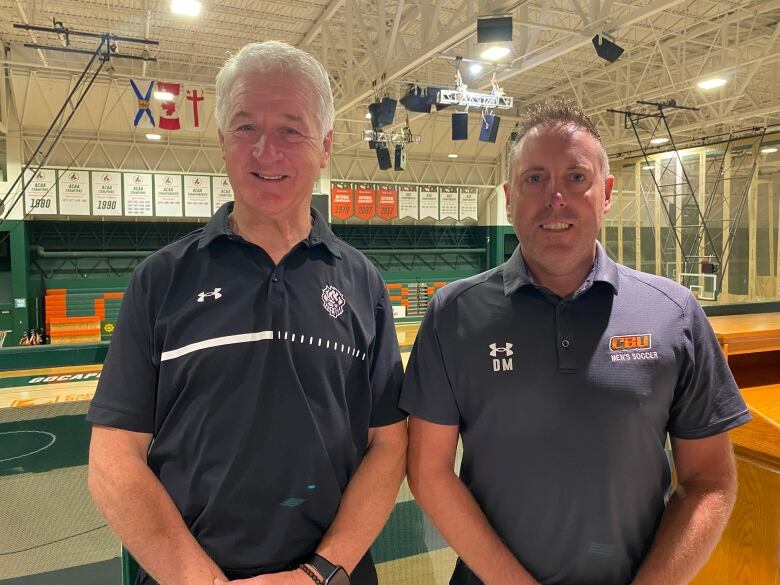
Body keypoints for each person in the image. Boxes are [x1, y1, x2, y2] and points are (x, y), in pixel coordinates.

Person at [87, 41, 407, 585]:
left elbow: (389, 443)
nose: (266, 151)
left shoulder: (362, 282)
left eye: (290, 129)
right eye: (245, 128)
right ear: (221, 140)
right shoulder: (160, 280)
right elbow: (113, 459)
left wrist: (320, 572)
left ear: (325, 146)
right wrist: (202, 580)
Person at [400, 100, 750, 585]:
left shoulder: (675, 313)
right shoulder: (452, 315)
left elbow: (710, 480)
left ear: (606, 193)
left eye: (576, 177)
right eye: (535, 179)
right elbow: (429, 471)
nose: (556, 197)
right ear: (508, 197)